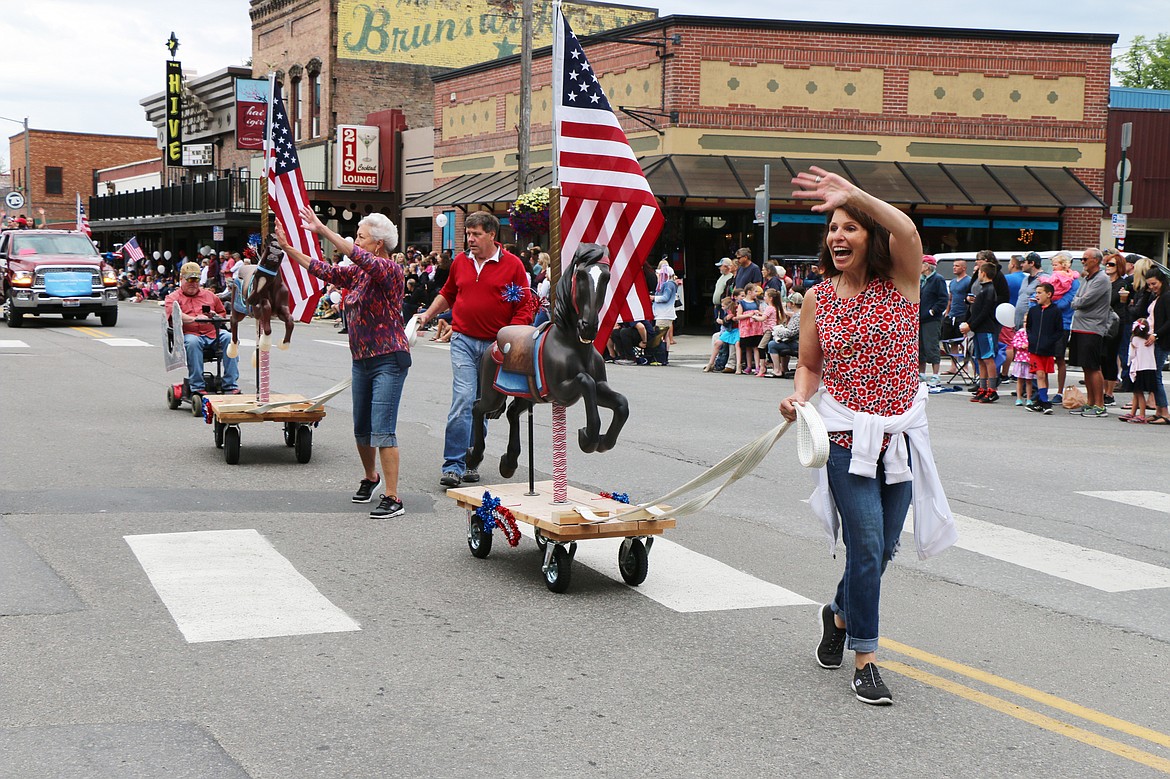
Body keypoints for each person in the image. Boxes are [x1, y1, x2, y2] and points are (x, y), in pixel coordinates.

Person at [780, 166, 955, 706]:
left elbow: (906, 232)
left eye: (851, 227)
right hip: (844, 438)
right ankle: (867, 659)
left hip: (899, 438)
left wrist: (855, 194)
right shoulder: (817, 298)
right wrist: (800, 398)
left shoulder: (900, 282)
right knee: (867, 544)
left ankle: (836, 613)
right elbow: (809, 365)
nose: (838, 235)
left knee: (881, 551)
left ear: (870, 237)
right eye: (833, 227)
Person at [276, 206, 411, 519]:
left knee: (383, 429)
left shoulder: (388, 270)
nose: (356, 241)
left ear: (378, 244)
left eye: (361, 236)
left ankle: (393, 497)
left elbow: (356, 256)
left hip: (388, 358)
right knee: (361, 427)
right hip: (361, 359)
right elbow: (323, 269)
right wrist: (287, 248)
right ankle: (371, 478)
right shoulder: (360, 273)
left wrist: (323, 230)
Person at [416, 211, 536, 487]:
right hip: (463, 341)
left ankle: (472, 458)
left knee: (481, 405)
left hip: (495, 346)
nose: (470, 239)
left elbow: (524, 307)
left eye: (476, 234)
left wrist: (507, 340)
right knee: (463, 399)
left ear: (492, 235)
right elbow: (448, 294)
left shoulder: (513, 266)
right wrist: (427, 315)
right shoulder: (460, 262)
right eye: (468, 234)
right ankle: (454, 465)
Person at [164, 262, 240, 396]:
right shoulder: (173, 298)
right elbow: (175, 315)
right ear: (181, 279)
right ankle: (197, 386)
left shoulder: (210, 296)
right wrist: (194, 319)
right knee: (193, 342)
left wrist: (215, 316)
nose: (193, 283)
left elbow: (222, 313)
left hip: (211, 332)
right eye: (190, 280)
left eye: (196, 280)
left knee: (229, 338)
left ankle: (230, 384)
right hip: (189, 333)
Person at [1067, 248, 1111, 417]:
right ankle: (1090, 402)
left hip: (1092, 328)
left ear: (1096, 261)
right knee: (1085, 367)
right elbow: (1075, 299)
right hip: (1079, 326)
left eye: (1085, 259)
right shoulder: (1086, 278)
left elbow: (1083, 301)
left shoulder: (1102, 279)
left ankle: (1100, 405)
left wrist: (1078, 301)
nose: (1083, 261)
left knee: (1093, 367)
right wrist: (1077, 301)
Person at [960, 260, 1001, 403]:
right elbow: (976, 311)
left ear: (983, 273)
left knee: (988, 359)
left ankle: (992, 390)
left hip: (987, 329)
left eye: (978, 272)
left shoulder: (989, 289)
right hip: (978, 329)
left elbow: (984, 312)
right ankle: (982, 388)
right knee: (980, 359)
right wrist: (969, 322)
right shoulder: (982, 290)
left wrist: (970, 325)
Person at [1024, 282, 1061, 414]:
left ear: (1049, 294)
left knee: (1044, 375)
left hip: (1047, 349)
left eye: (1040, 293)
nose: (1037, 295)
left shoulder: (1055, 311)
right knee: (1039, 374)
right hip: (1034, 349)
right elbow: (1028, 327)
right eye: (1036, 292)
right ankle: (1045, 402)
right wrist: (1031, 339)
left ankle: (1040, 400)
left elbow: (1059, 330)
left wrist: (1050, 341)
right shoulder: (1034, 310)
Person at [918, 255, 948, 386]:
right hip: (920, 318)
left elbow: (943, 299)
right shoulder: (921, 280)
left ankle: (936, 375)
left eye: (921, 264)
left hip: (931, 319)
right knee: (920, 346)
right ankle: (921, 373)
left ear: (927, 266)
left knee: (932, 345)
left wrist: (933, 311)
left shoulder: (938, 279)